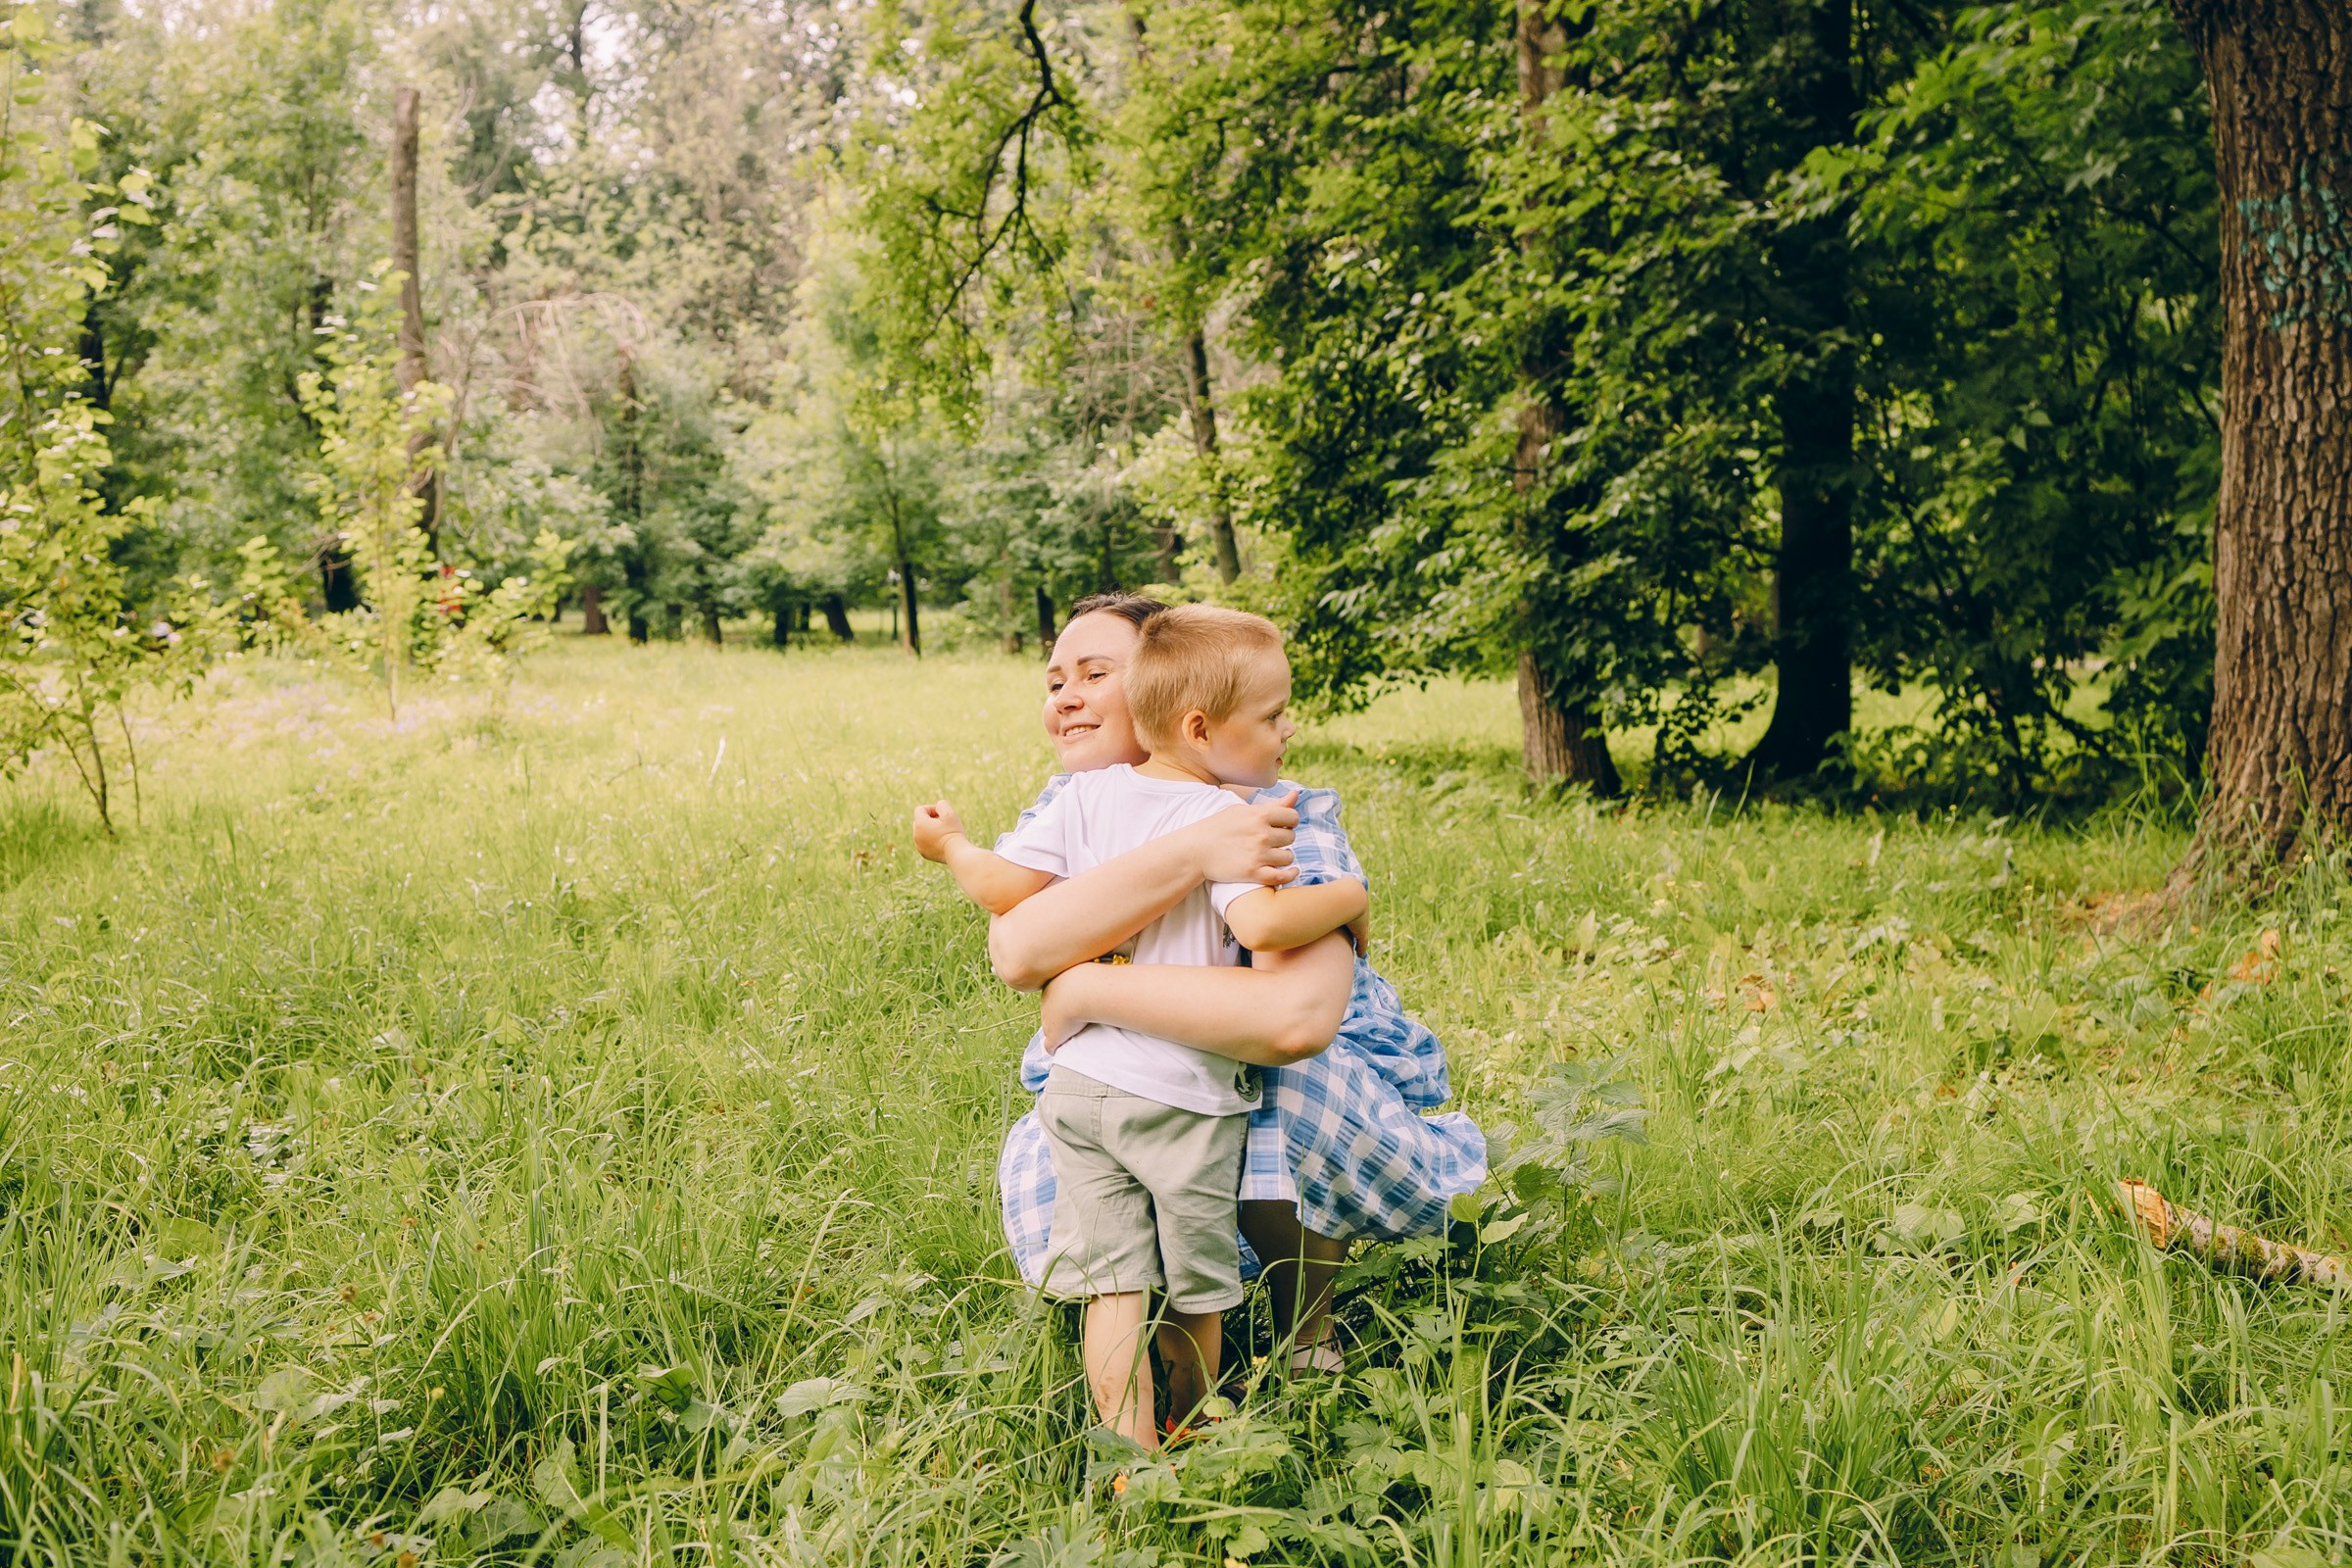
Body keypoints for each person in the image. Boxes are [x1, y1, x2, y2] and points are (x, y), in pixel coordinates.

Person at [925, 593, 1487, 1376]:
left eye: (1096, 672)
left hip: (1284, 1075)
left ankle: (1305, 1332)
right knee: (1092, 1144)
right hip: (1123, 1077)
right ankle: (1157, 1369)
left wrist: (1086, 989)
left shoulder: (1276, 809)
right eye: (1055, 680)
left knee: (1275, 1087)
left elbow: (1294, 1020)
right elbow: (1018, 949)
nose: (1068, 697)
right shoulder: (1077, 805)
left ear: (1174, 696)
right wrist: (1193, 852)